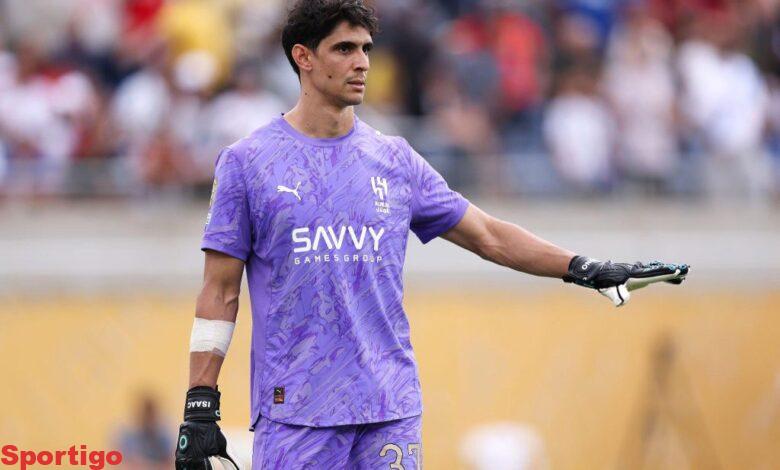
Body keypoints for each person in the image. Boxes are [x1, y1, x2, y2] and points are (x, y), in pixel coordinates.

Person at [174, 1, 689, 468]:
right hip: (297, 416)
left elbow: (488, 234)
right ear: (303, 57)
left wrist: (584, 268)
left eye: (366, 49)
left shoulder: (394, 159)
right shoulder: (248, 163)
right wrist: (201, 404)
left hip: (390, 409)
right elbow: (220, 291)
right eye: (345, 49)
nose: (362, 63)